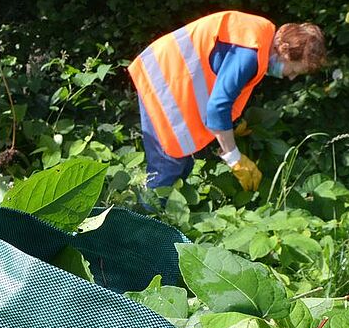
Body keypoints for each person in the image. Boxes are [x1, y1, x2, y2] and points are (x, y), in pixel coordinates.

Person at [128, 13, 326, 194]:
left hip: (169, 80)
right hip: (163, 81)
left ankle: (152, 216)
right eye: (293, 70)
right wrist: (234, 158)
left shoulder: (259, 37)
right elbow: (217, 108)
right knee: (167, 169)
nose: (290, 77)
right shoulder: (250, 53)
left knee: (181, 166)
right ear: (284, 50)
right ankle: (139, 219)